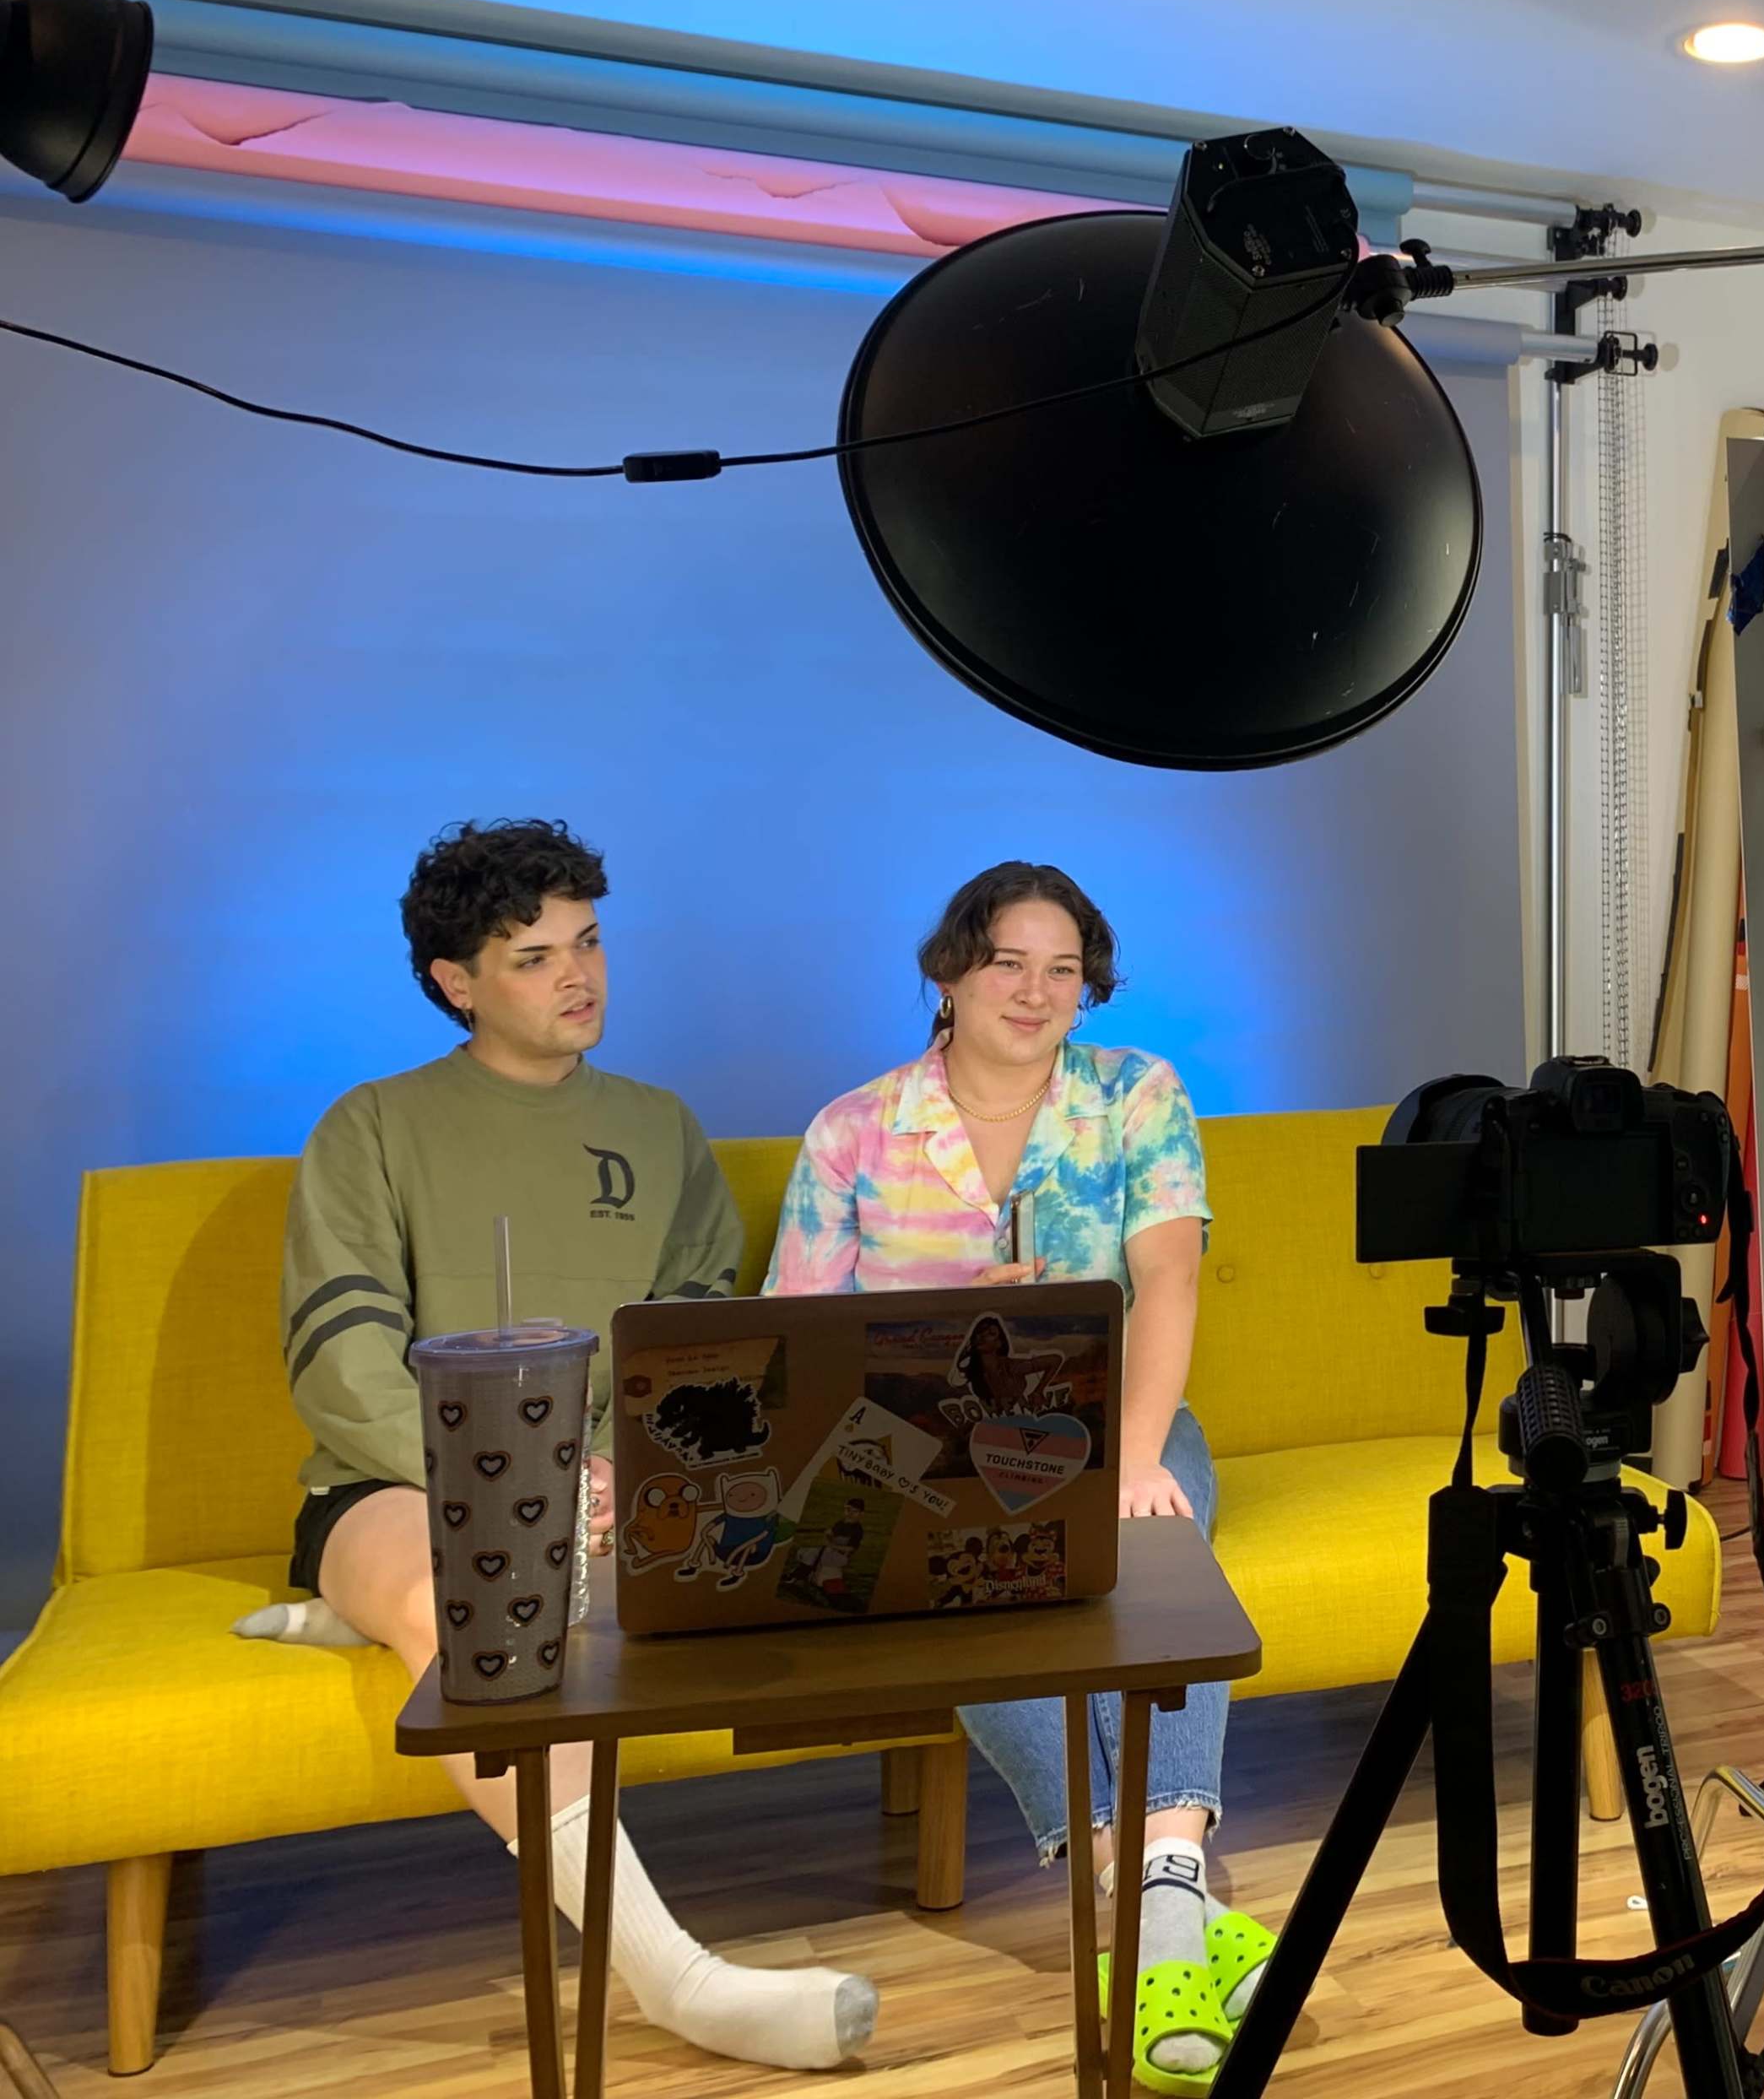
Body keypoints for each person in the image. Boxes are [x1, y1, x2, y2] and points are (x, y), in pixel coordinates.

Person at [260, 820, 876, 2071]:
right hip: (395, 1493)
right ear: (456, 982)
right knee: (489, 1592)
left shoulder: (660, 1128)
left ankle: (381, 1623)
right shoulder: (370, 1127)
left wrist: (635, 1474)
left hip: (614, 1493)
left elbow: (701, 1350)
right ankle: (680, 1984)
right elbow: (340, 1361)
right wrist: (526, 1487)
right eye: (535, 956)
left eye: (588, 943)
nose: (578, 975)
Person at [766, 859, 1268, 2095]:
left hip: (1108, 1420)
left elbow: (1169, 1280)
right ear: (948, 971)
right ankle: (1165, 1905)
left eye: (1063, 970)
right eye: (1008, 963)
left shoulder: (1137, 1094)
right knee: (974, 1579)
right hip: (912, 1451)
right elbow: (801, 1340)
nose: (1037, 993)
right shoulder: (854, 1132)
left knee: (1156, 1556)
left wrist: (1136, 1456)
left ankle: (1150, 1886)